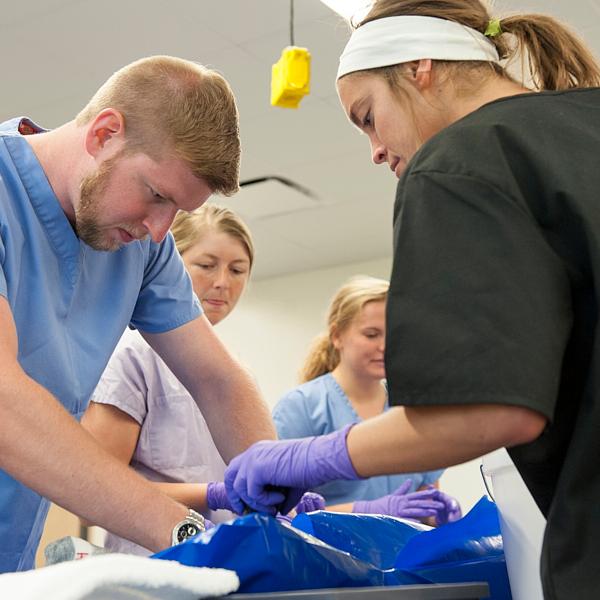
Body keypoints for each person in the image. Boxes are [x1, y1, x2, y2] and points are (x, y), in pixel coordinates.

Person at [223, 2, 600, 598]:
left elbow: (490, 409)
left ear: (421, 68)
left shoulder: (460, 159)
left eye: (368, 117)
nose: (374, 149)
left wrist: (310, 458)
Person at [0, 55, 276, 572]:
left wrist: (274, 487)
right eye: (156, 195)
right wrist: (185, 532)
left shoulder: (141, 248)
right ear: (105, 133)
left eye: (177, 212)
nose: (158, 229)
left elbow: (218, 380)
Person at [81, 204, 254, 554]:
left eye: (238, 270)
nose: (222, 282)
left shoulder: (229, 371)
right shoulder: (133, 354)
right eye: (206, 265)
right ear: (170, 266)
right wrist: (212, 493)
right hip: (151, 562)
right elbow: (92, 487)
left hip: (222, 560)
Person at [273, 275, 460, 525]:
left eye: (392, 334)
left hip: (407, 557)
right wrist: (365, 510)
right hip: (330, 559)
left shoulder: (413, 407)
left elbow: (423, 500)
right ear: (337, 335)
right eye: (372, 335)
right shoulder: (301, 408)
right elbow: (280, 513)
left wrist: (437, 514)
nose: (384, 346)